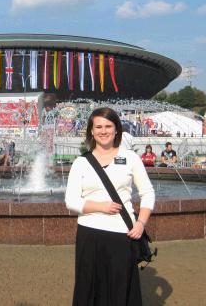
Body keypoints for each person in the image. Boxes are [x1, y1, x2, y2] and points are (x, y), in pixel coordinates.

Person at [65, 107, 155, 305]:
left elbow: (147, 193)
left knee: (120, 287)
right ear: (91, 130)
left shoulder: (131, 158)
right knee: (89, 287)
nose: (103, 131)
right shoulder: (81, 163)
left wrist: (140, 223)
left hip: (122, 234)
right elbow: (71, 202)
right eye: (98, 126)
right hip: (89, 233)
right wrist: (100, 206)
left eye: (108, 126)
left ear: (116, 130)